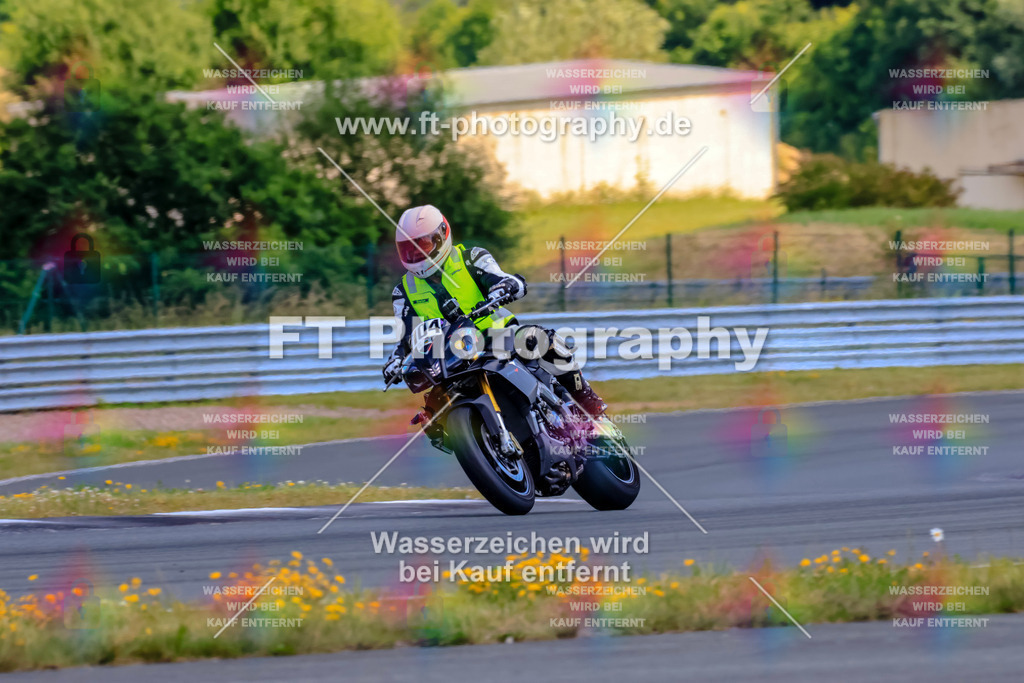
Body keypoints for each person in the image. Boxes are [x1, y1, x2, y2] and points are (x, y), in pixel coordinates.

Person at [382, 204, 606, 415]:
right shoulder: (403, 292)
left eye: (423, 246)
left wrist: (505, 287)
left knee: (539, 339)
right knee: (432, 412)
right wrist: (396, 359)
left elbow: (503, 279)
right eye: (409, 250)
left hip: (496, 336)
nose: (415, 256)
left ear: (441, 236)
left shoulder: (471, 258)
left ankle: (586, 397)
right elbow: (407, 336)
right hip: (451, 357)